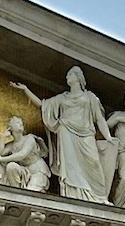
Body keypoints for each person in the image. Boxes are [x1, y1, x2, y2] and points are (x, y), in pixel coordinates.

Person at [16, 67, 112, 203]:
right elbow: (44, 106)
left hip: (86, 135)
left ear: (79, 77)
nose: (68, 77)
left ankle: (99, 197)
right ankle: (73, 195)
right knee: (71, 167)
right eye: (67, 75)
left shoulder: (90, 97)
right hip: (66, 133)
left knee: (94, 163)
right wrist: (26, 90)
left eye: (71, 74)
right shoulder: (62, 98)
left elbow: (99, 119)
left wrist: (108, 137)